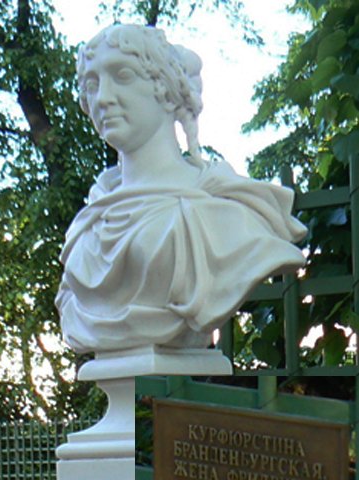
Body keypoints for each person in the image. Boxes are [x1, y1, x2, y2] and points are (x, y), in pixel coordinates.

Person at [55, 23, 307, 354]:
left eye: (123, 75)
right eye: (92, 84)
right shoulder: (90, 222)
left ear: (167, 90)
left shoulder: (224, 214)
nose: (102, 98)